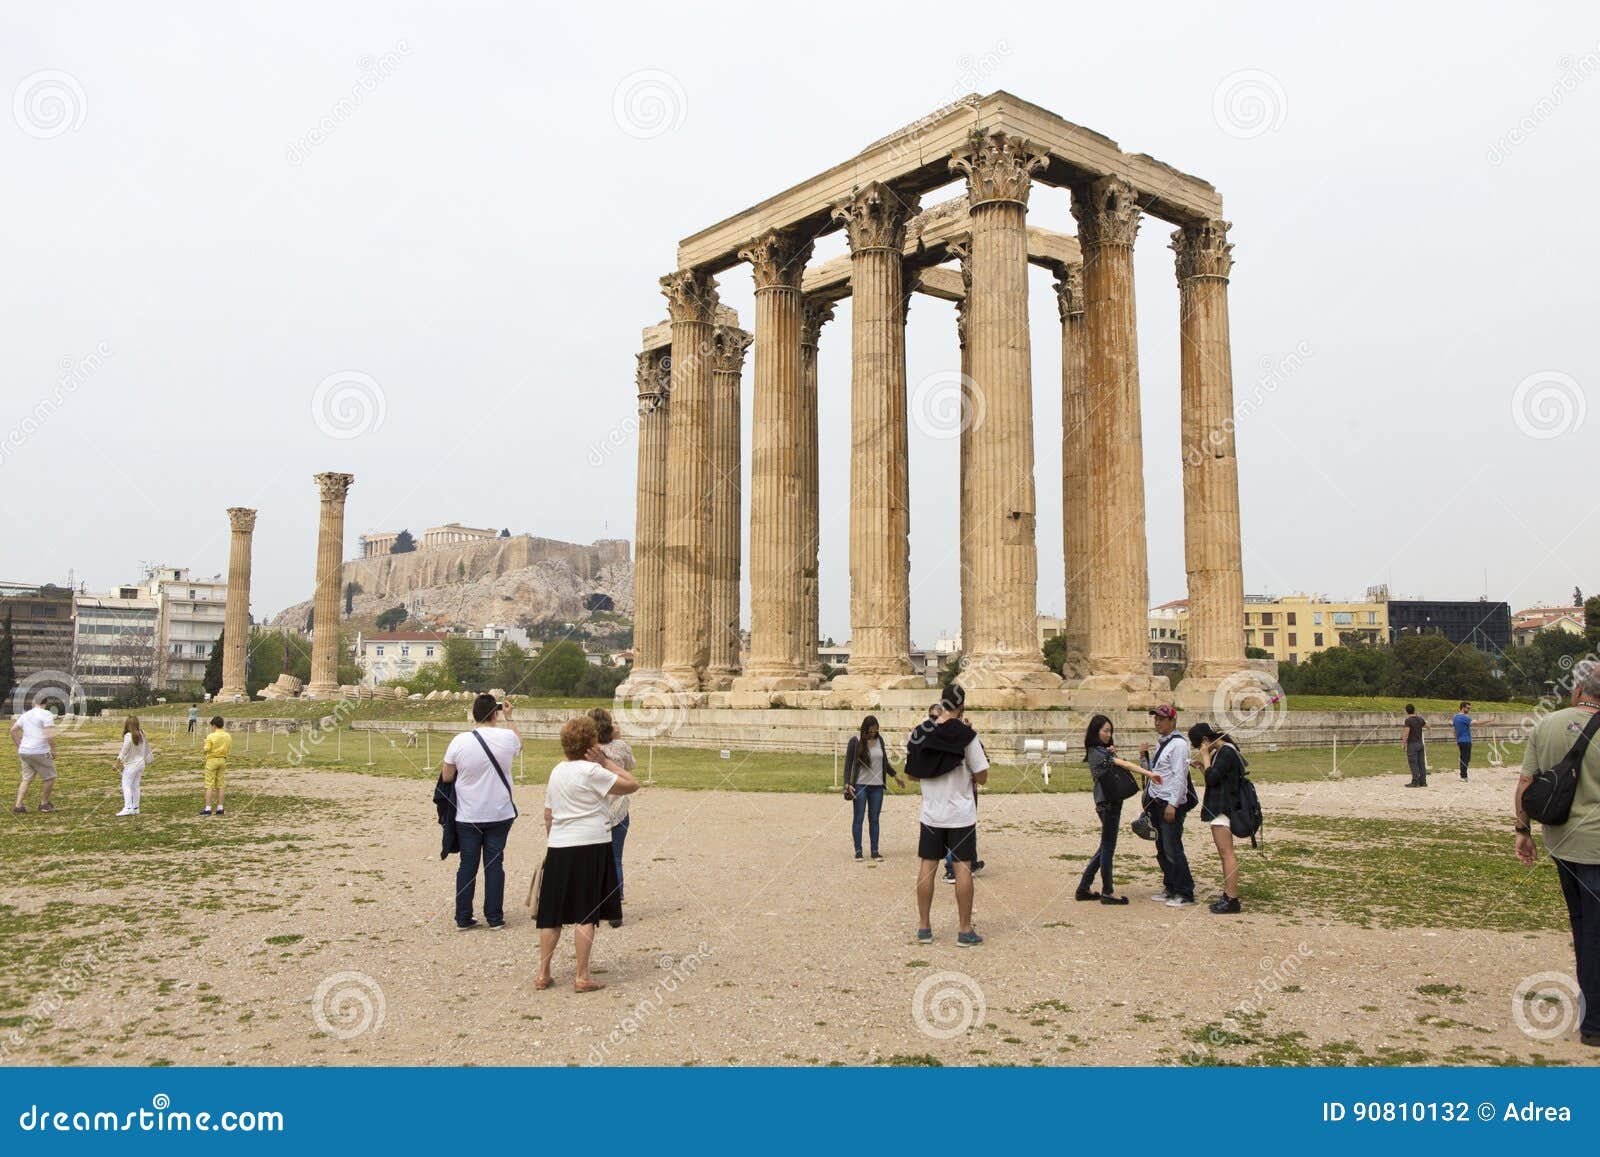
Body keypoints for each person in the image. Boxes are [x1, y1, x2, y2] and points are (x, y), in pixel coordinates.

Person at [1514, 662, 1600, 1048]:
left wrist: (1522, 831)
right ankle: (1595, 1022)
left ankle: (1591, 1011)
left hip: (1563, 842)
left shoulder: (1546, 724)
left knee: (1585, 927)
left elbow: (1526, 784)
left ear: (1578, 690)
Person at [536, 715, 640, 992]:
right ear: (591, 742)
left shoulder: (557, 770)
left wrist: (552, 842)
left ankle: (543, 972)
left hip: (559, 845)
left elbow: (548, 814)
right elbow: (632, 784)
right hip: (590, 843)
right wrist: (606, 762)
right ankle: (582, 975)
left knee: (551, 914)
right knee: (586, 913)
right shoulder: (593, 771)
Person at [908, 684, 988, 946]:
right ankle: (964, 930)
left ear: (942, 702)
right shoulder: (968, 736)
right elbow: (982, 777)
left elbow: (910, 773)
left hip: (932, 812)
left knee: (927, 866)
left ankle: (924, 928)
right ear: (962, 705)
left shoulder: (920, 733)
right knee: (962, 867)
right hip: (961, 814)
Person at [441, 694, 521, 930]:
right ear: (495, 714)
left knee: (468, 864)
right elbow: (520, 744)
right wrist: (511, 718)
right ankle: (495, 917)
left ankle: (463, 916)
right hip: (499, 812)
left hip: (468, 814)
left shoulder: (459, 740)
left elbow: (447, 776)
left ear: (474, 714)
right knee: (495, 864)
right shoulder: (507, 737)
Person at [1077, 714, 1164, 905]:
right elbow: (1124, 765)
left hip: (1109, 803)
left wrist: (1113, 754)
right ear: (1096, 731)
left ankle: (1084, 887)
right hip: (1108, 804)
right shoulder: (1097, 752)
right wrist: (1150, 773)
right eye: (1105, 731)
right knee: (1108, 848)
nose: (1109, 734)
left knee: (1105, 847)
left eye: (1110, 731)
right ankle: (1107, 892)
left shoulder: (1100, 750)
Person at [1143, 704, 1195, 908]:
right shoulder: (1162, 742)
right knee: (1162, 848)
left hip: (1169, 803)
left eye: (1162, 719)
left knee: (1173, 848)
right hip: (1158, 801)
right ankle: (1171, 887)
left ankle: (1185, 891)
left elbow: (1180, 777)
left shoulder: (1179, 745)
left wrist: (1172, 804)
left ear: (1173, 721)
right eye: (1156, 718)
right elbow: (1158, 773)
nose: (1158, 722)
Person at [1192, 722, 1246, 914]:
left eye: (1199, 745)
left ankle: (1232, 899)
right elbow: (1216, 777)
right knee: (1225, 854)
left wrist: (1205, 756)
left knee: (1227, 854)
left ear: (1205, 740)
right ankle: (1227, 894)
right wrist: (1202, 766)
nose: (1199, 750)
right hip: (1221, 807)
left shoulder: (1226, 752)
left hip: (1223, 809)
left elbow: (1212, 779)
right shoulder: (1222, 752)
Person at [588, 707, 635, 928]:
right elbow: (631, 766)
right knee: (615, 858)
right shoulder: (620, 746)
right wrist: (618, 739)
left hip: (594, 810)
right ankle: (616, 903)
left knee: (593, 859)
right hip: (619, 809)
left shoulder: (588, 750)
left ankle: (593, 905)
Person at [844, 714, 905, 861]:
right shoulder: (855, 741)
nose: (873, 733)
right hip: (860, 785)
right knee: (858, 817)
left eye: (875, 731)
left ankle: (875, 851)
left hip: (877, 786)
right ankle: (858, 851)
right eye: (870, 731)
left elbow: (884, 762)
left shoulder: (880, 740)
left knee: (874, 819)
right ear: (865, 730)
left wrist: (895, 775)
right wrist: (847, 783)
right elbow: (848, 763)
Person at [11, 692, 58, 815]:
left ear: (34, 702)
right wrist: (53, 749)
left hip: (24, 751)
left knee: (26, 779)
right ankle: (44, 804)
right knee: (50, 777)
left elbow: (13, 730)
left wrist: (19, 745)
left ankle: (18, 805)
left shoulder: (26, 715)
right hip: (39, 751)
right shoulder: (46, 714)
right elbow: (48, 735)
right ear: (46, 702)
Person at [114, 715, 152, 817]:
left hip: (131, 765)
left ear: (127, 725)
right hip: (141, 764)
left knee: (126, 785)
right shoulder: (142, 733)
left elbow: (124, 750)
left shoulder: (128, 736)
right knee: (135, 786)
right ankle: (136, 808)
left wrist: (117, 762)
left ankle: (128, 808)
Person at [200, 715, 231, 816]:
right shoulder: (228, 736)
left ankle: (208, 808)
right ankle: (220, 807)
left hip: (212, 760)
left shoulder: (211, 736)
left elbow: (207, 749)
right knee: (220, 785)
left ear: (214, 725)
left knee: (209, 784)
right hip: (222, 760)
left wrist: (204, 744)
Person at [1402, 704, 1428, 787]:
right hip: (1420, 743)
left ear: (1406, 711)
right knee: (1421, 763)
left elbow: (1406, 732)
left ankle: (1415, 781)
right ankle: (1423, 781)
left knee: (1413, 763)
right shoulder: (1420, 719)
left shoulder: (1408, 720)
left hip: (1412, 744)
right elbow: (1428, 726)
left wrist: (1403, 743)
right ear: (1414, 710)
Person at [1453, 702, 1474, 781]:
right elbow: (1475, 722)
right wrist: (1489, 720)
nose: (1468, 710)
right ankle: (1463, 776)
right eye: (1467, 708)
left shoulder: (1455, 717)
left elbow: (1454, 730)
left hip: (1460, 741)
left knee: (1464, 757)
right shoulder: (1464, 717)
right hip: (1466, 741)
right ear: (1463, 708)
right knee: (1466, 758)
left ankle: (1463, 775)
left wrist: (1456, 740)